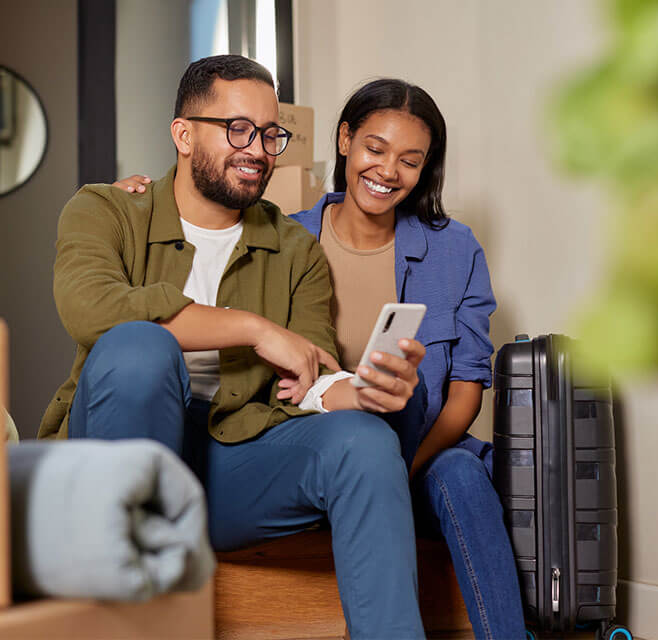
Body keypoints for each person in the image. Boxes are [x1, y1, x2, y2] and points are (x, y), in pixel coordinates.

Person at [115, 78, 527, 639]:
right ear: (345, 140)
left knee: (457, 465)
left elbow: (465, 395)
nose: (387, 171)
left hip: (421, 444)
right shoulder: (292, 238)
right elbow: (204, 201)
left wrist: (397, 473)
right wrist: (139, 195)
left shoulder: (454, 249)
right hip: (319, 428)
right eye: (375, 150)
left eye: (410, 160)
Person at [40, 56, 431, 638]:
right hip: (116, 463)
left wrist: (367, 390)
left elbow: (310, 377)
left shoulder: (295, 249)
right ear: (183, 133)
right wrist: (253, 328)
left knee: (367, 441)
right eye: (238, 129)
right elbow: (93, 310)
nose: (258, 149)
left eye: (271, 134)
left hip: (232, 467)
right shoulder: (107, 211)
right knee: (142, 350)